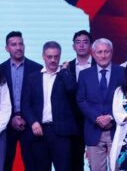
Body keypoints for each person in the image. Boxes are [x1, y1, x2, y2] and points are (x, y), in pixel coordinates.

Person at [21, 41, 78, 171]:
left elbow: (71, 90)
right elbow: (26, 104)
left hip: (61, 134)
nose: (53, 60)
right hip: (39, 132)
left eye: (56, 56)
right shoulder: (32, 78)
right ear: (43, 56)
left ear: (60, 56)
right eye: (49, 56)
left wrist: (64, 71)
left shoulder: (67, 75)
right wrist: (33, 122)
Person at [77, 38, 125, 171]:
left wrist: (110, 117)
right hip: (93, 130)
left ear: (112, 53)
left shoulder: (122, 72)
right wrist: (97, 118)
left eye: (106, 51)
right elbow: (81, 100)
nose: (103, 55)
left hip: (117, 129)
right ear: (93, 54)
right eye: (99, 52)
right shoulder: (84, 75)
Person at [0, 30, 42, 171]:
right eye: (14, 44)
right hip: (6, 125)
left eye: (20, 44)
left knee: (33, 165)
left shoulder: (37, 68)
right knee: (4, 165)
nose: (18, 47)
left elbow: (39, 100)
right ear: (7, 48)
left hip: (30, 125)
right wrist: (11, 118)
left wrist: (27, 118)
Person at [66, 29, 94, 170]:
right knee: (75, 161)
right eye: (78, 42)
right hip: (73, 121)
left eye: (85, 42)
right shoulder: (66, 67)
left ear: (91, 45)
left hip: (94, 119)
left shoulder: (99, 65)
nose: (81, 45)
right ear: (73, 46)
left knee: (96, 161)